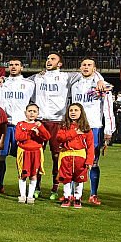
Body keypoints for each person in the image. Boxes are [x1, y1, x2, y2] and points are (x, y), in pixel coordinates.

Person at [28, 53, 82, 200]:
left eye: (52, 59)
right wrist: (2, 79)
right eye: (47, 59)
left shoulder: (66, 76)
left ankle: (54, 188)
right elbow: (20, 82)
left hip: (57, 122)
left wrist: (100, 80)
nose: (48, 61)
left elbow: (88, 72)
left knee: (57, 156)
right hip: (40, 121)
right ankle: (36, 186)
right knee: (37, 154)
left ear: (59, 64)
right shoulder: (37, 77)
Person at [68, 58, 115, 205]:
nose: (86, 67)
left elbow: (108, 108)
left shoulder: (102, 85)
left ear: (95, 69)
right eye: (83, 65)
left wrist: (109, 129)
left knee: (93, 161)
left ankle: (93, 194)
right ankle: (73, 194)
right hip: (75, 127)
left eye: (89, 65)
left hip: (93, 127)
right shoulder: (74, 85)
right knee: (74, 160)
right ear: (79, 67)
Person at [0, 58, 35, 194]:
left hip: (21, 126)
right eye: (11, 64)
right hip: (4, 125)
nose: (13, 67)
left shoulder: (29, 84)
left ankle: (22, 189)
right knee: (1, 156)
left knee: (22, 156)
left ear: (22, 67)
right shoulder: (1, 84)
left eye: (16, 65)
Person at [55, 103, 94, 209]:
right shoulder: (64, 126)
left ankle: (77, 198)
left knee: (79, 179)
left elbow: (90, 146)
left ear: (81, 112)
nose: (73, 112)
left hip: (80, 156)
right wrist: (73, 132)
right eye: (71, 110)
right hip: (66, 155)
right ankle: (67, 197)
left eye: (76, 110)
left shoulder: (86, 128)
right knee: (66, 178)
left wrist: (89, 161)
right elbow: (59, 138)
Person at [14, 103, 50, 204]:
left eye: (34, 111)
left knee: (34, 175)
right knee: (23, 174)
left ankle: (30, 196)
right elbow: (18, 137)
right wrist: (30, 132)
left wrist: (40, 129)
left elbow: (47, 137)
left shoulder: (39, 125)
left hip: (36, 152)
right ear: (25, 113)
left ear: (38, 113)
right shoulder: (20, 124)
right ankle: (22, 195)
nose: (32, 113)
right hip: (24, 152)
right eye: (30, 111)